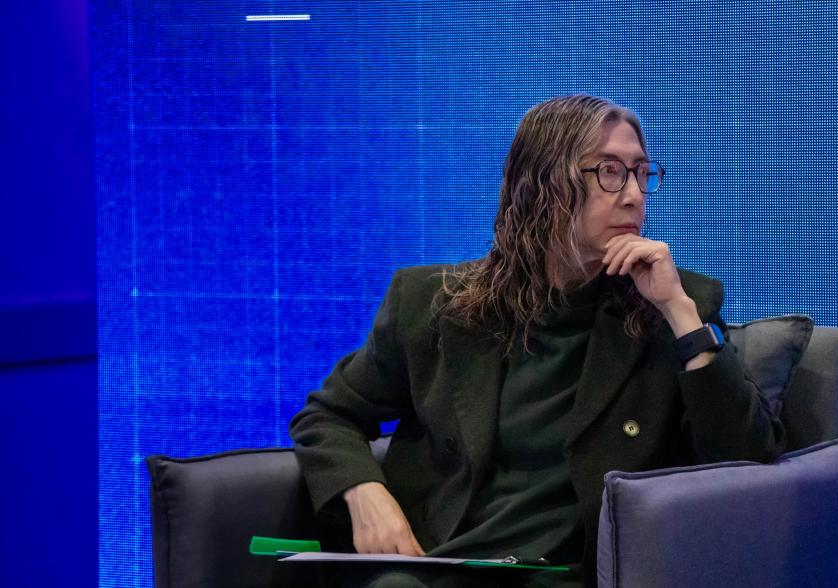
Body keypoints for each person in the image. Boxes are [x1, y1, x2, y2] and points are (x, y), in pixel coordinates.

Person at [290, 94, 785, 587]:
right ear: (542, 184)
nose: (634, 194)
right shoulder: (432, 305)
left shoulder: (672, 308)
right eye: (609, 172)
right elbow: (328, 414)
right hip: (440, 567)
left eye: (641, 173)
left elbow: (745, 462)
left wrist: (678, 311)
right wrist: (362, 490)